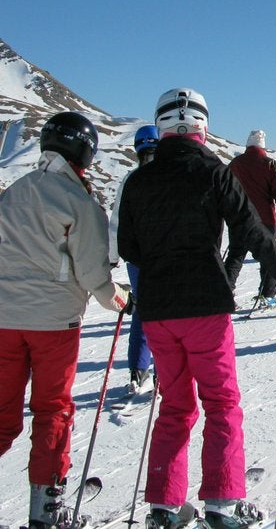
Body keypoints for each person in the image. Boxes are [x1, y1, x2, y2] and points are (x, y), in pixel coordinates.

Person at [118, 89, 276, 529]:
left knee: (175, 407)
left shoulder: (138, 181)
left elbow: (128, 248)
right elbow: (252, 232)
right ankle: (222, 505)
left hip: (157, 310)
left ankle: (164, 508)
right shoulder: (214, 171)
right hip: (205, 305)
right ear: (202, 126)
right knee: (221, 402)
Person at [0, 112, 129, 529]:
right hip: (54, 323)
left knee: (2, 413)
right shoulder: (79, 202)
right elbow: (93, 274)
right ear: (86, 152)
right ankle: (46, 510)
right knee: (52, 409)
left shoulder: (15, 191)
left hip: (3, 320)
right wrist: (119, 299)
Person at [108, 124, 160, 394]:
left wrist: (111, 257)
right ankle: (165, 370)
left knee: (141, 310)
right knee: (167, 313)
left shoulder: (131, 179)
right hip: (166, 256)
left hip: (137, 258)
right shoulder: (171, 176)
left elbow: (116, 222)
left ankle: (138, 370)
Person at [223, 129, 276, 306]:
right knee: (268, 257)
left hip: (238, 218)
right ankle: (268, 294)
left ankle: (225, 292)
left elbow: (225, 189)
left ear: (248, 145)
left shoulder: (235, 164)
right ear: (263, 146)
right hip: (264, 219)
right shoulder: (270, 165)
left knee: (235, 256)